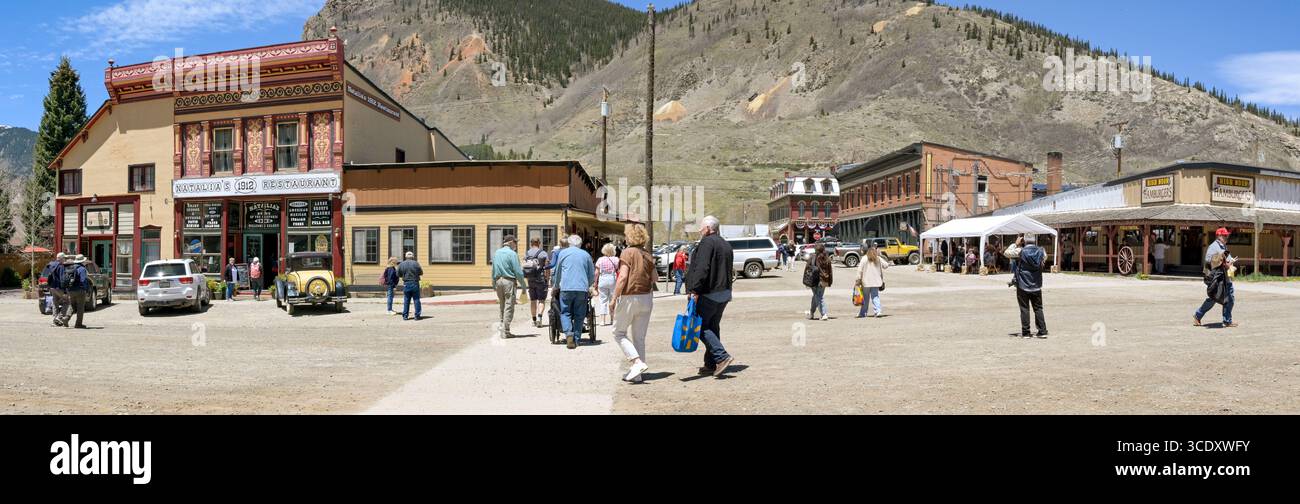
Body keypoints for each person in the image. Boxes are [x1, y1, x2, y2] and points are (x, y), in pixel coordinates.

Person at [684, 215, 735, 377]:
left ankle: (722, 357)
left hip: (710, 292)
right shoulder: (725, 244)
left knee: (699, 327)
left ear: (707, 228)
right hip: (724, 292)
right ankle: (711, 364)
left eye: (701, 227)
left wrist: (694, 290)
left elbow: (702, 268)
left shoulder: (707, 242)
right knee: (712, 327)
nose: (700, 230)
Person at [611, 223, 657, 383]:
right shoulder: (647, 254)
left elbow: (622, 277)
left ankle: (636, 363)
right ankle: (637, 375)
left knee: (619, 333)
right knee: (639, 337)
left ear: (629, 236)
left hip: (630, 296)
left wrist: (613, 298)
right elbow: (655, 278)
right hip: (646, 297)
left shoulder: (627, 252)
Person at [552, 234, 595, 349]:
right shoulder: (586, 255)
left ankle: (568, 334)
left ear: (569, 243)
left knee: (565, 312)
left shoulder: (563, 253)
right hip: (581, 288)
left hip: (566, 287)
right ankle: (576, 338)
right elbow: (591, 274)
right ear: (580, 244)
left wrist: (555, 286)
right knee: (579, 314)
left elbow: (558, 272)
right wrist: (589, 285)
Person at [1005, 234, 1048, 338]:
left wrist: (1015, 244)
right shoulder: (1042, 251)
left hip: (1023, 283)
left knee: (1024, 308)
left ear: (1024, 241)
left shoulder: (1020, 251)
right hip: (1037, 283)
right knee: (1038, 308)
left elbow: (1006, 253)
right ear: (1035, 240)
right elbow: (1044, 259)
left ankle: (1026, 332)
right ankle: (1042, 331)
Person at [1194, 227, 1237, 328]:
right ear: (1219, 236)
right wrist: (1223, 263)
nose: (1227, 237)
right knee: (1213, 298)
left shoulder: (1224, 247)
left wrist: (1230, 263)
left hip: (1226, 277)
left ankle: (1227, 321)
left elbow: (1226, 259)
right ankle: (1198, 315)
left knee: (1230, 298)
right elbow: (1209, 260)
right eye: (1225, 235)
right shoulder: (1213, 246)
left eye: (1227, 235)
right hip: (1217, 278)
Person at [491, 235, 528, 338]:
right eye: (515, 242)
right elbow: (518, 271)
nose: (516, 245)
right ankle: (505, 330)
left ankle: (502, 327)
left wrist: (493, 282)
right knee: (509, 306)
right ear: (511, 242)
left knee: (502, 306)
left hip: (498, 281)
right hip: (509, 281)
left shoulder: (497, 253)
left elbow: (493, 269)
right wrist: (523, 286)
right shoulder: (512, 254)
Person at [855, 244, 890, 318]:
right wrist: (880, 255)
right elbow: (886, 265)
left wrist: (858, 280)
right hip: (876, 282)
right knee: (875, 297)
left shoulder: (864, 258)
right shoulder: (878, 258)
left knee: (865, 298)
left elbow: (859, 270)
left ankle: (863, 313)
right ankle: (878, 311)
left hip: (866, 282)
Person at [523, 239, 549, 328]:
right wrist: (547, 279)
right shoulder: (543, 253)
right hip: (541, 278)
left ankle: (533, 320)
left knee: (533, 300)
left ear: (531, 243)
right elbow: (547, 267)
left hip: (530, 279)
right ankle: (539, 318)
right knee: (541, 300)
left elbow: (525, 265)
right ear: (539, 243)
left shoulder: (527, 253)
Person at [62, 255, 90, 329]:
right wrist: (86, 289)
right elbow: (83, 280)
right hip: (80, 290)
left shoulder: (70, 267)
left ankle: (66, 318)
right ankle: (78, 324)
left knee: (72, 305)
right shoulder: (82, 269)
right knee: (80, 307)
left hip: (70, 290)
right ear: (82, 261)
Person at [594, 243, 620, 326]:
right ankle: (613, 319)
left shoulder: (600, 260)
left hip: (602, 279)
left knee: (603, 300)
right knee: (613, 299)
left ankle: (602, 320)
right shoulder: (616, 259)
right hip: (612, 279)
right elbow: (619, 270)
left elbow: (596, 272)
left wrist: (595, 283)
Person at [807, 243, 833, 320]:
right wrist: (829, 281)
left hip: (814, 280)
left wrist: (806, 280)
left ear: (816, 250)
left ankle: (823, 314)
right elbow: (830, 272)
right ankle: (811, 312)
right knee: (816, 296)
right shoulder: (827, 258)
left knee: (818, 296)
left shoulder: (813, 257)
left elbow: (807, 268)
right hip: (824, 281)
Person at [397, 251, 424, 320]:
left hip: (406, 283)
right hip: (415, 283)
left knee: (406, 300)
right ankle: (417, 316)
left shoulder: (401, 264)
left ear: (405, 257)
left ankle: (405, 316)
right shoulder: (416, 263)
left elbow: (398, 274)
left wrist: (404, 275)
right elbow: (421, 272)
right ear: (412, 257)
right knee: (416, 299)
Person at [45, 253, 68, 326]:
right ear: (61, 258)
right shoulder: (61, 266)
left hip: (52, 287)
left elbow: (47, 276)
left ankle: (54, 320)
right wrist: (65, 290)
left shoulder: (51, 265)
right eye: (64, 258)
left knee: (55, 303)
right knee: (68, 302)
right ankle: (59, 317)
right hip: (59, 287)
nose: (65, 260)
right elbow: (62, 278)